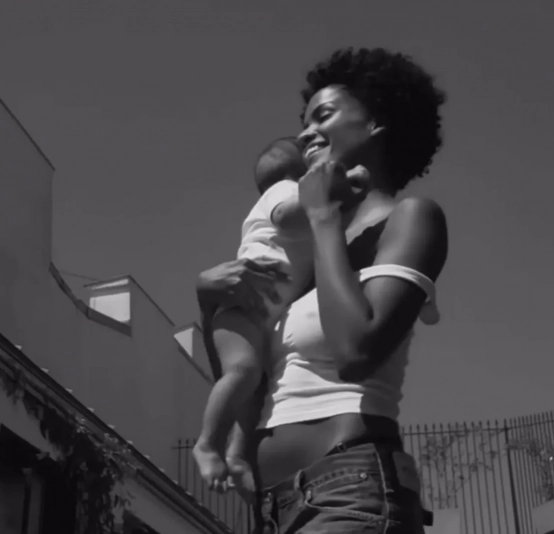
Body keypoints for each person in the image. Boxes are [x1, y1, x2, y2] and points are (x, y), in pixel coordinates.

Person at [196, 46, 448, 533]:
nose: (305, 133)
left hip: (349, 492)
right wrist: (210, 304)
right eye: (303, 122)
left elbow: (356, 352)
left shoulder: (411, 218)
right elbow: (243, 377)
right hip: (273, 509)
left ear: (375, 123)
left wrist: (322, 214)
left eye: (324, 115)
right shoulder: (305, 256)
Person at [192, 137, 313, 491]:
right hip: (240, 309)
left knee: (254, 394)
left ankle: (237, 456)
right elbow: (288, 216)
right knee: (243, 371)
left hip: (259, 315)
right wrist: (328, 194)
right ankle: (208, 443)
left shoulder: (287, 196)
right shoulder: (285, 191)